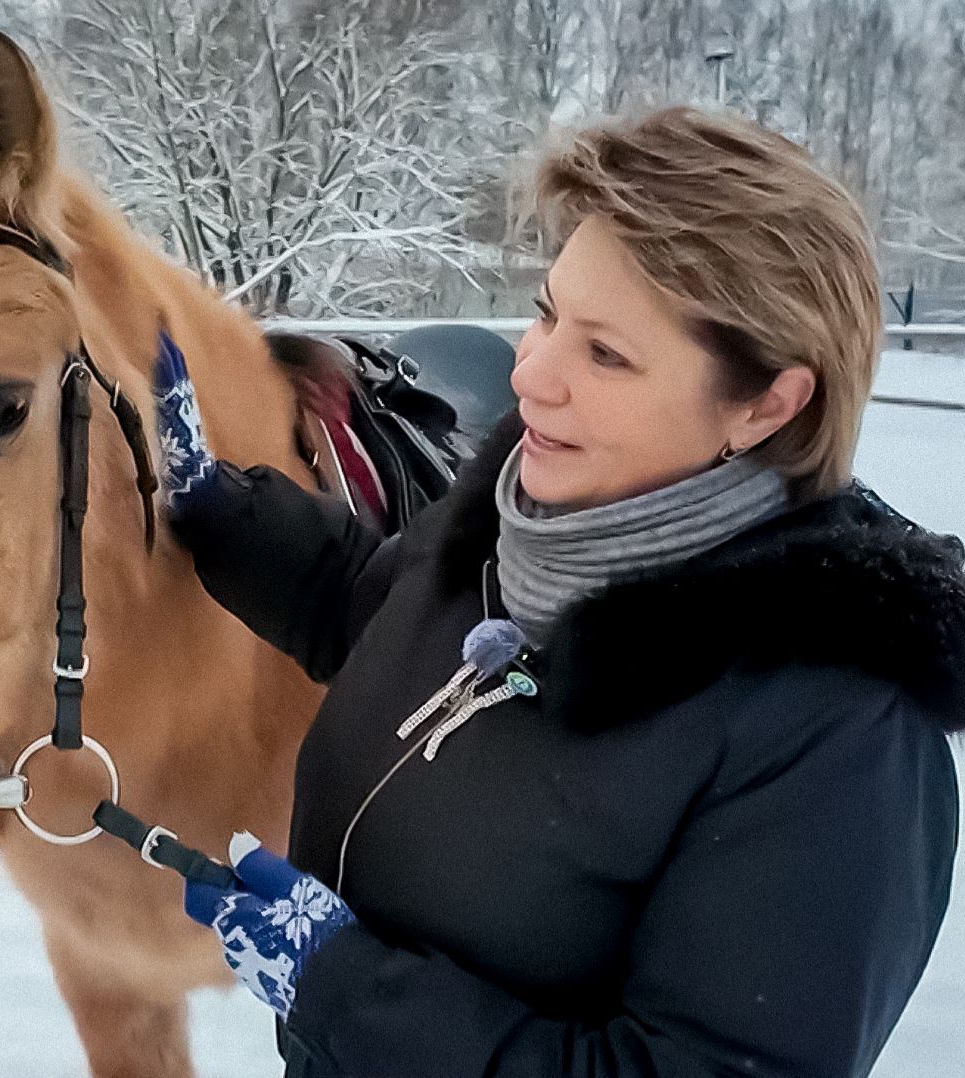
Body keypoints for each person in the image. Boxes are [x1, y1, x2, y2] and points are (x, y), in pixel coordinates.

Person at [161, 107, 962, 1077]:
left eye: (607, 352)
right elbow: (372, 615)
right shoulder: (518, 517)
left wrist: (350, 994)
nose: (530, 372)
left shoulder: (834, 733)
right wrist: (213, 503)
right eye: (546, 313)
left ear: (765, 405)